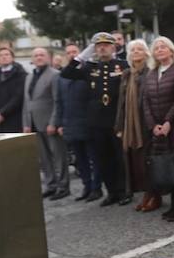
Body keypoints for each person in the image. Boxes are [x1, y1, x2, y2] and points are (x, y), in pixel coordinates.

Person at [60, 32, 128, 207]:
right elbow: (66, 73)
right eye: (98, 46)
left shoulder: (122, 65)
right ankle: (111, 192)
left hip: (116, 120)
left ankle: (123, 191)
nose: (102, 48)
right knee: (103, 158)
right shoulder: (90, 67)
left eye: (106, 45)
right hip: (96, 122)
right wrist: (82, 55)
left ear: (113, 47)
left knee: (119, 157)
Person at [139, 36, 174, 216]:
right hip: (156, 128)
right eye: (156, 48)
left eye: (163, 46)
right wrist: (153, 125)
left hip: (173, 126)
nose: (159, 50)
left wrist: (167, 122)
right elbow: (145, 101)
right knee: (162, 164)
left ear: (171, 50)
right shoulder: (151, 72)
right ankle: (168, 201)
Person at [22, 47, 68, 200]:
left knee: (58, 156)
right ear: (32, 59)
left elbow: (57, 100)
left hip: (49, 123)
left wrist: (53, 122)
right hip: (34, 123)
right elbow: (27, 101)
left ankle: (63, 186)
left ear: (48, 57)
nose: (39, 57)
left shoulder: (54, 75)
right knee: (44, 158)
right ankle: (51, 185)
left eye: (42, 55)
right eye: (36, 55)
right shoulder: (29, 77)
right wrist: (26, 123)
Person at [58, 43, 101, 202]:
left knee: (93, 158)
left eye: (74, 52)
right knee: (80, 160)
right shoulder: (64, 76)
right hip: (71, 123)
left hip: (88, 122)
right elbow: (59, 102)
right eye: (68, 52)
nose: (71, 55)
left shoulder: (89, 70)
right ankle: (87, 186)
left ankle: (96, 187)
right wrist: (60, 122)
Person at [114, 39, 150, 208]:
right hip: (129, 125)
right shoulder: (126, 74)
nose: (136, 52)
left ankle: (153, 194)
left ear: (146, 53)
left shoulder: (150, 72)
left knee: (147, 161)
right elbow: (121, 102)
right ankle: (145, 193)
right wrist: (119, 126)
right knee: (134, 162)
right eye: (133, 49)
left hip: (145, 122)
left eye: (139, 49)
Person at [0, 46, 26, 134]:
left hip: (15, 118)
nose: (4, 57)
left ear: (12, 57)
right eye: (0, 55)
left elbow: (18, 97)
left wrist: (2, 113)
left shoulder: (21, 74)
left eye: (7, 54)